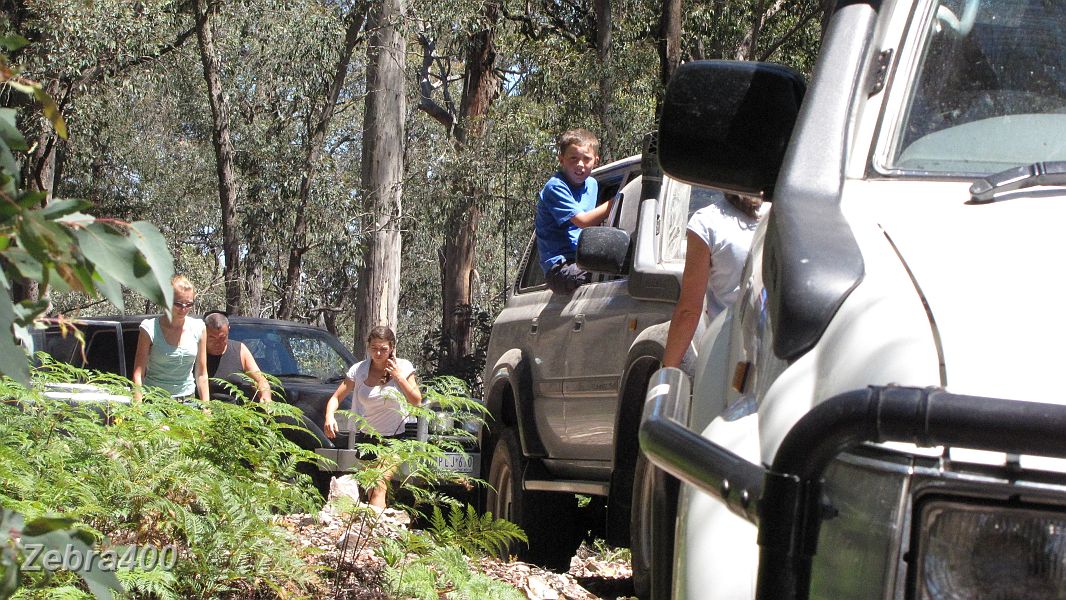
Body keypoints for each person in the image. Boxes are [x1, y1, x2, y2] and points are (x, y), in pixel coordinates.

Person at [662, 192, 766, 369]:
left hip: (728, 356)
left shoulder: (707, 222)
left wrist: (666, 374)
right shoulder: (786, 213)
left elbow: (689, 311)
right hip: (780, 354)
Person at [323, 325, 422, 509]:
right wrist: (330, 416)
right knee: (371, 488)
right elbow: (336, 398)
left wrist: (398, 377)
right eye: (374, 348)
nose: (378, 353)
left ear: (391, 347)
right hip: (367, 438)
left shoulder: (403, 367)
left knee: (379, 486)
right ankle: (378, 529)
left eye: (383, 349)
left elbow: (416, 401)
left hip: (394, 439)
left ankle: (377, 533)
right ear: (368, 347)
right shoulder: (359, 370)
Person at [535, 128, 617, 294]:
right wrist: (618, 201)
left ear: (596, 161)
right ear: (562, 160)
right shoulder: (555, 187)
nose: (580, 164)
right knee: (606, 273)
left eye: (586, 159)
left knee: (614, 267)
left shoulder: (592, 185)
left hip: (582, 259)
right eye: (573, 158)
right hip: (560, 269)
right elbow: (583, 221)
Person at [132, 275, 209, 402]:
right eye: (178, 304)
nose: (184, 309)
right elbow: (138, 373)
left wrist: (207, 408)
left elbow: (201, 374)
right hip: (155, 400)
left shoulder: (199, 328)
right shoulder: (150, 328)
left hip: (188, 402)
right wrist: (138, 406)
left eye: (189, 304)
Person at [203, 311, 272, 403]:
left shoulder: (240, 350)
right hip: (201, 413)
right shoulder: (194, 351)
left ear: (228, 330)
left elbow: (259, 379)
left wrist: (265, 395)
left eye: (222, 338)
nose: (217, 343)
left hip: (234, 413)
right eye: (212, 338)